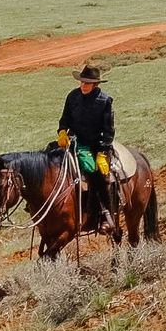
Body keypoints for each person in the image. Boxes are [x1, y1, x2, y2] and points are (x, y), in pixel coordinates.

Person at [57, 64, 115, 231]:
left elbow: (108, 130)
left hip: (96, 146)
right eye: (82, 82)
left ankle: (105, 214)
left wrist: (103, 152)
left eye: (87, 83)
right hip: (74, 142)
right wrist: (62, 132)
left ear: (95, 85)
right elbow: (65, 119)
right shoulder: (72, 96)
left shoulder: (105, 101)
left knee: (98, 175)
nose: (83, 86)